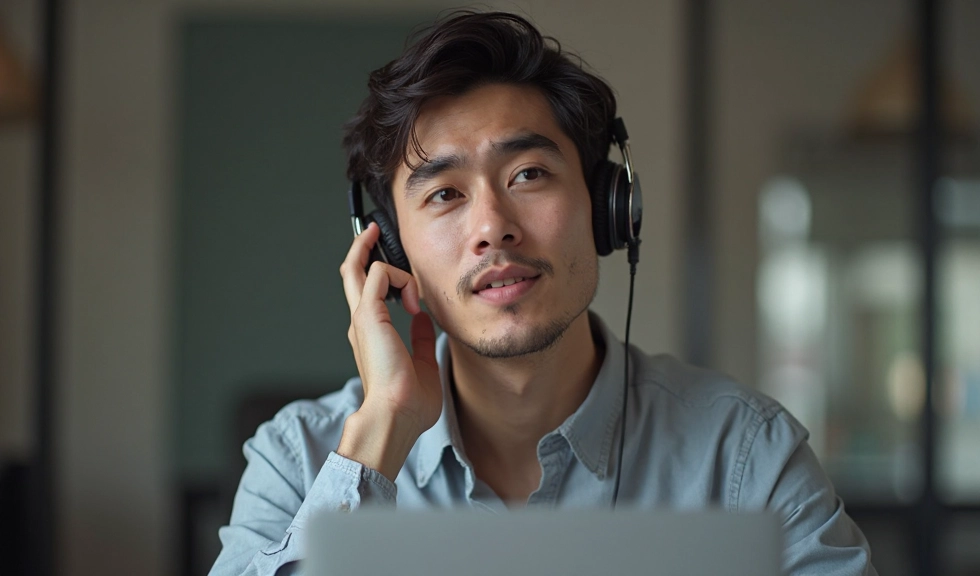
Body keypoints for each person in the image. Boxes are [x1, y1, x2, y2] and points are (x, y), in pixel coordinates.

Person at [210, 10, 876, 576]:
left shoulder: (744, 457)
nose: (492, 227)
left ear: (609, 208)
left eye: (529, 174)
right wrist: (382, 430)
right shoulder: (300, 458)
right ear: (389, 248)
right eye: (444, 194)